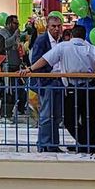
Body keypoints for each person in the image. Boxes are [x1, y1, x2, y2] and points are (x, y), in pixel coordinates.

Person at [29, 24, 95, 152]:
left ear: (71, 35)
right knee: (89, 117)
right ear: (85, 36)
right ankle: (91, 144)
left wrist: (30, 69)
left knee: (69, 119)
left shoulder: (63, 46)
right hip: (90, 88)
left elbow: (45, 60)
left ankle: (86, 143)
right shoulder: (91, 48)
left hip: (73, 89)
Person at [29, 12, 65, 149]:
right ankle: (44, 143)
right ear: (48, 27)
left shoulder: (62, 41)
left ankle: (53, 144)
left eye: (58, 26)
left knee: (56, 115)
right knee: (46, 115)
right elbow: (36, 61)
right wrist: (43, 80)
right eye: (53, 26)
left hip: (60, 81)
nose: (56, 29)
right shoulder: (41, 40)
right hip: (47, 82)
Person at [1, 14, 25, 122]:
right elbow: (4, 44)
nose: (17, 26)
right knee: (8, 91)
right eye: (15, 23)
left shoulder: (15, 34)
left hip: (17, 66)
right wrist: (14, 36)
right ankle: (5, 114)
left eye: (18, 24)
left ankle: (14, 111)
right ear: (9, 23)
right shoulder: (2, 33)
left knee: (18, 91)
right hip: (7, 66)